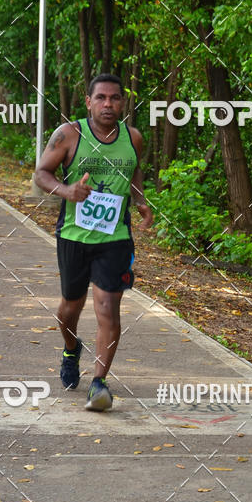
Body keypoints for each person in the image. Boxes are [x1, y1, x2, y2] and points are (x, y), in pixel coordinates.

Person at [34, 74, 153, 412]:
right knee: (69, 308)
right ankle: (72, 348)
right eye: (100, 97)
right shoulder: (69, 134)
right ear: (88, 102)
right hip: (73, 236)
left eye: (115, 98)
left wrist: (141, 200)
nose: (108, 104)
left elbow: (134, 171)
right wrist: (67, 190)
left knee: (107, 308)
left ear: (123, 103)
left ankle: (99, 383)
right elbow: (41, 173)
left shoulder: (133, 138)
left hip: (115, 238)